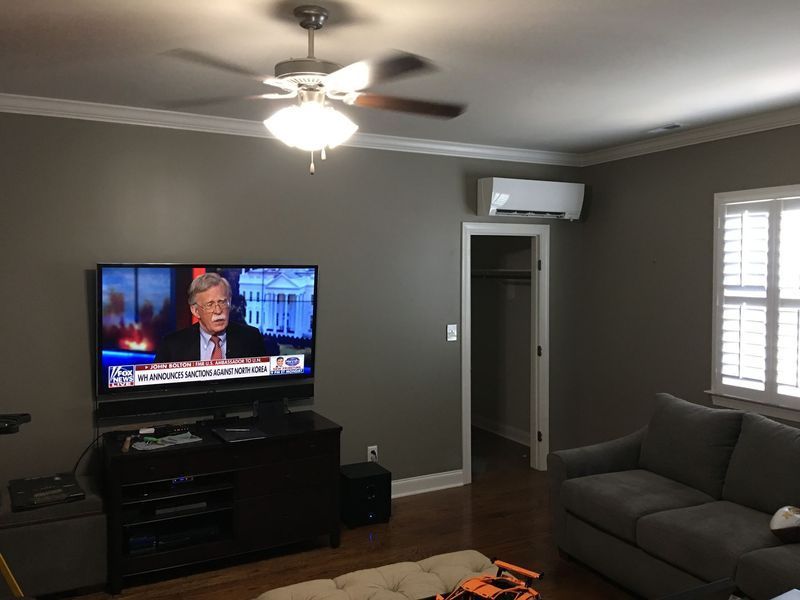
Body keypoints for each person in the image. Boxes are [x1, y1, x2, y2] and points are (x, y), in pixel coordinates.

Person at [154, 273, 266, 363]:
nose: (218, 311)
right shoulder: (172, 346)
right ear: (195, 311)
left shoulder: (251, 338)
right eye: (210, 304)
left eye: (222, 302)